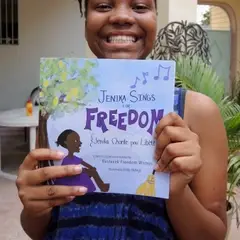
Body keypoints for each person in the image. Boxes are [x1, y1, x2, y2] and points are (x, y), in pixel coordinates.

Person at [16, 0, 228, 239]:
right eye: (104, 6)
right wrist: (34, 208)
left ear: (155, 16)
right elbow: (40, 229)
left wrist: (176, 190)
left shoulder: (197, 112)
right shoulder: (60, 105)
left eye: (139, 6)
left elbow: (213, 235)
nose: (122, 17)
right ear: (86, 18)